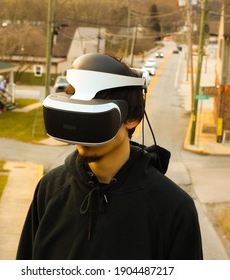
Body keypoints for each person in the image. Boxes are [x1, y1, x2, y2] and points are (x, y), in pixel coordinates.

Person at [16, 53, 203, 260]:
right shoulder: (49, 188)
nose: (83, 133)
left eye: (95, 117)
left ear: (131, 118)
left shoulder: (174, 209)